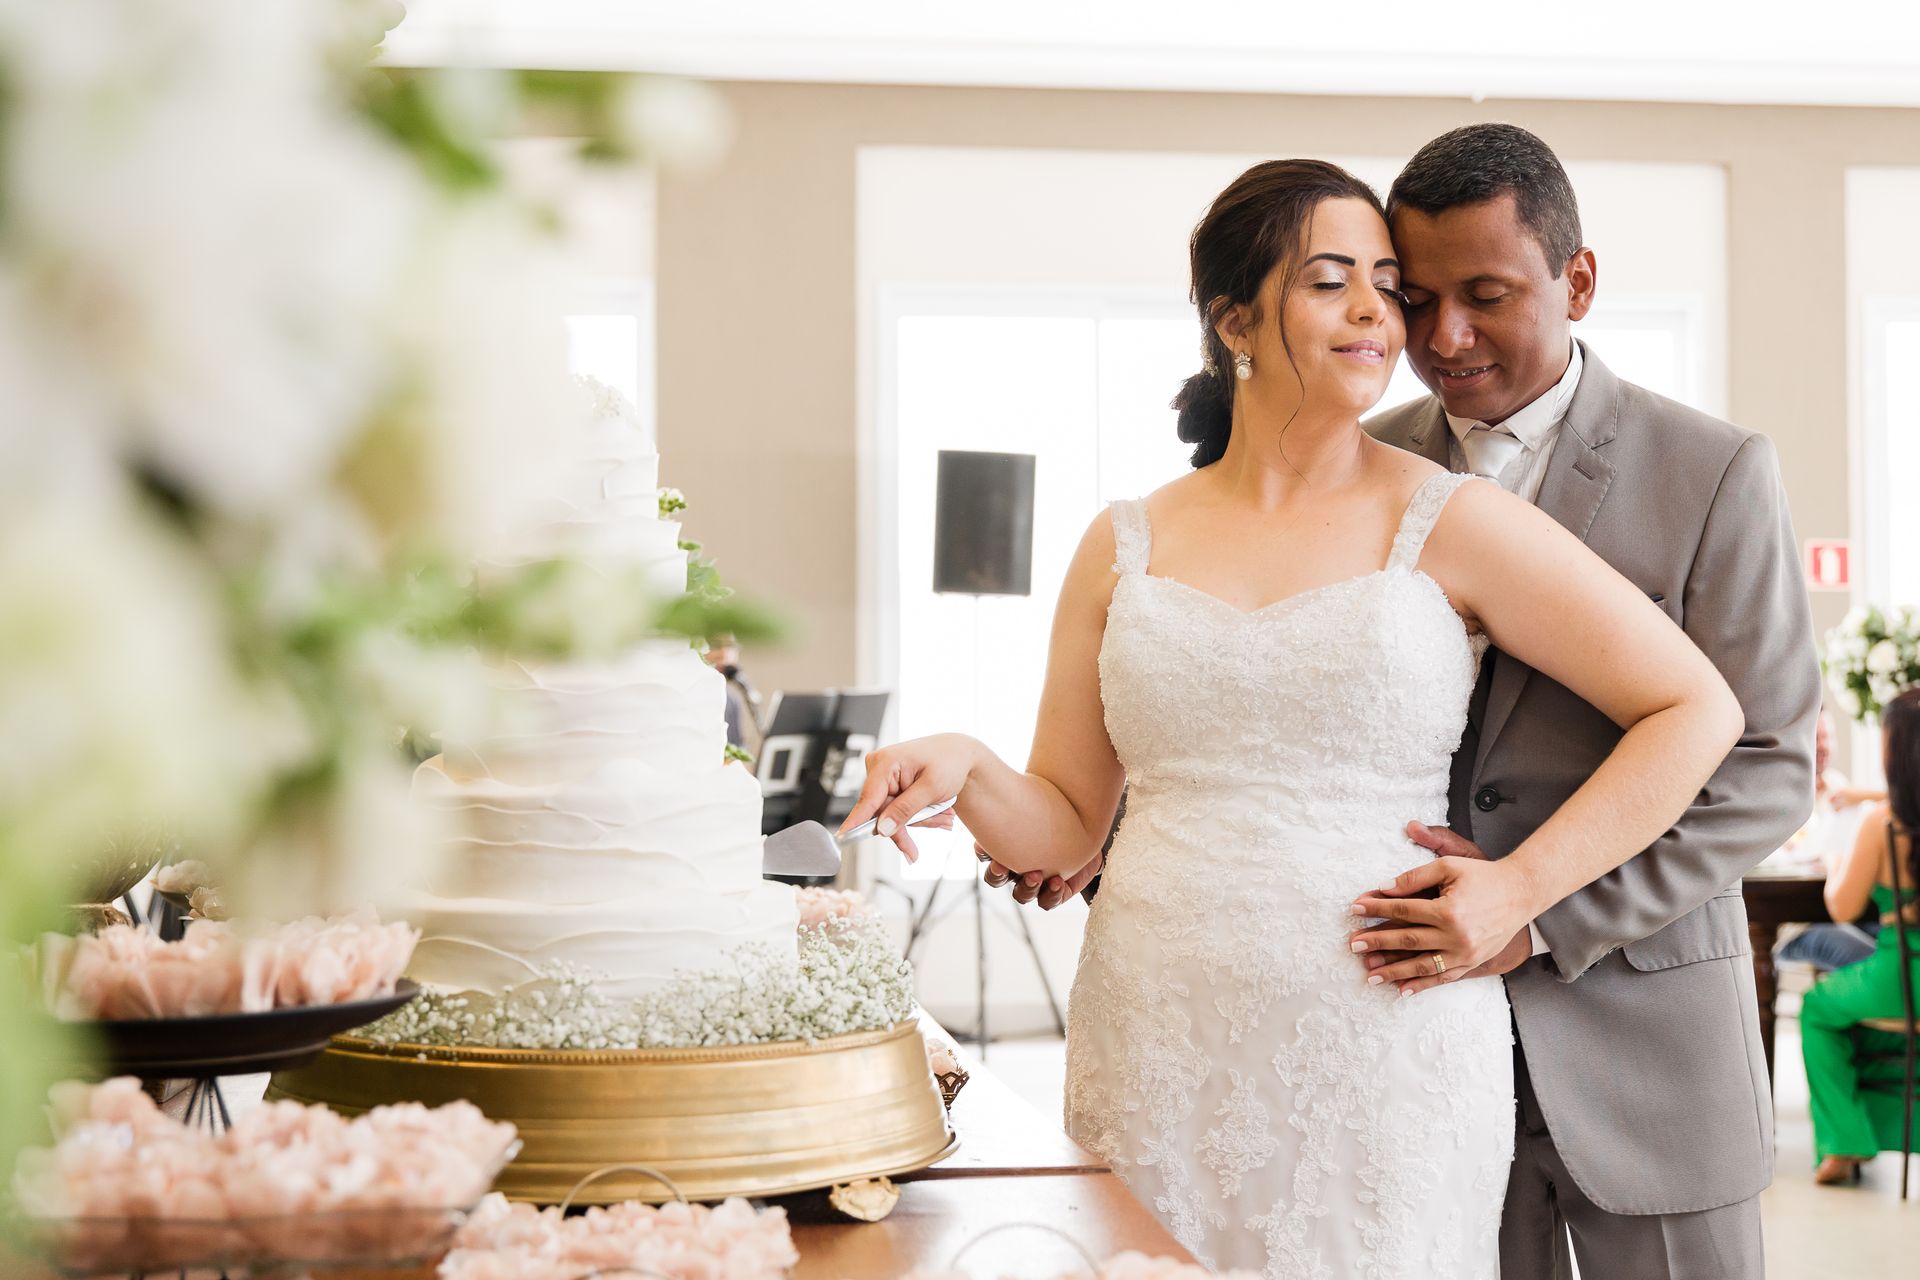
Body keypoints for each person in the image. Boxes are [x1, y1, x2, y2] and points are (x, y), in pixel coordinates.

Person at [842, 155, 1744, 1276]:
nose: (1380, 311)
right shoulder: (1124, 539)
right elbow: (1069, 824)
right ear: (1234, 318)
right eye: (1332, 281)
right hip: (1156, 1033)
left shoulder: (1450, 519)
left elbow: (1693, 704)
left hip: (1385, 1046)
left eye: (1385, 283)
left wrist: (1521, 885)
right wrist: (966, 766)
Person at [1800, 687, 1920, 1185]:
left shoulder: (1883, 825)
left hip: (1899, 977)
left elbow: (1842, 907)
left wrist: (1835, 864)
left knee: (1818, 1009)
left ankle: (1845, 1143)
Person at [1778, 706, 1881, 971]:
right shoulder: (1781, 794)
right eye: (1816, 737)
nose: (1823, 746)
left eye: (1828, 737)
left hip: (1841, 907)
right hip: (1801, 917)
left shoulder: (1841, 787)